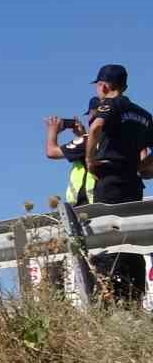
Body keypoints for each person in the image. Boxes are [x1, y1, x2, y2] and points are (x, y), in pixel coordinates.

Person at [82, 63, 149, 301]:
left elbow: (97, 127)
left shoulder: (109, 104)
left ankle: (110, 297)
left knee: (107, 240)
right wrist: (143, 167)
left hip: (109, 180)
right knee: (133, 241)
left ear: (104, 85)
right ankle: (134, 297)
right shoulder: (143, 114)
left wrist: (90, 160)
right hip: (133, 183)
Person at [44, 99, 99, 205]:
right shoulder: (116, 139)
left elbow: (51, 152)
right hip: (109, 199)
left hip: (88, 204)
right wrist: (82, 135)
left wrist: (52, 131)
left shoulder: (87, 140)